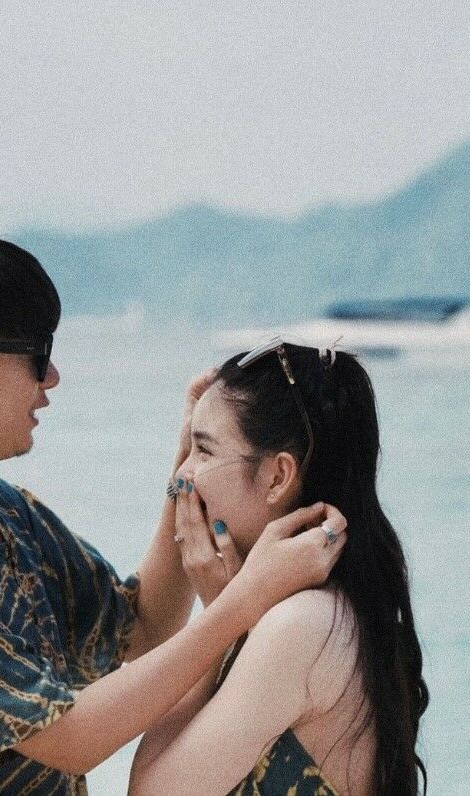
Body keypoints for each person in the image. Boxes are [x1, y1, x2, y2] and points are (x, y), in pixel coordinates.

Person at [0, 230, 348, 795]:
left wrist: (187, 468)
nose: (51, 377)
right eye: (36, 354)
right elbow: (70, 738)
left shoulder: (1, 507)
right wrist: (247, 598)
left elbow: (143, 628)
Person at [129, 339, 429, 796]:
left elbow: (148, 792)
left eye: (202, 450)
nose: (180, 477)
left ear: (277, 477)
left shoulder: (301, 625)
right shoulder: (333, 607)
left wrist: (220, 617)